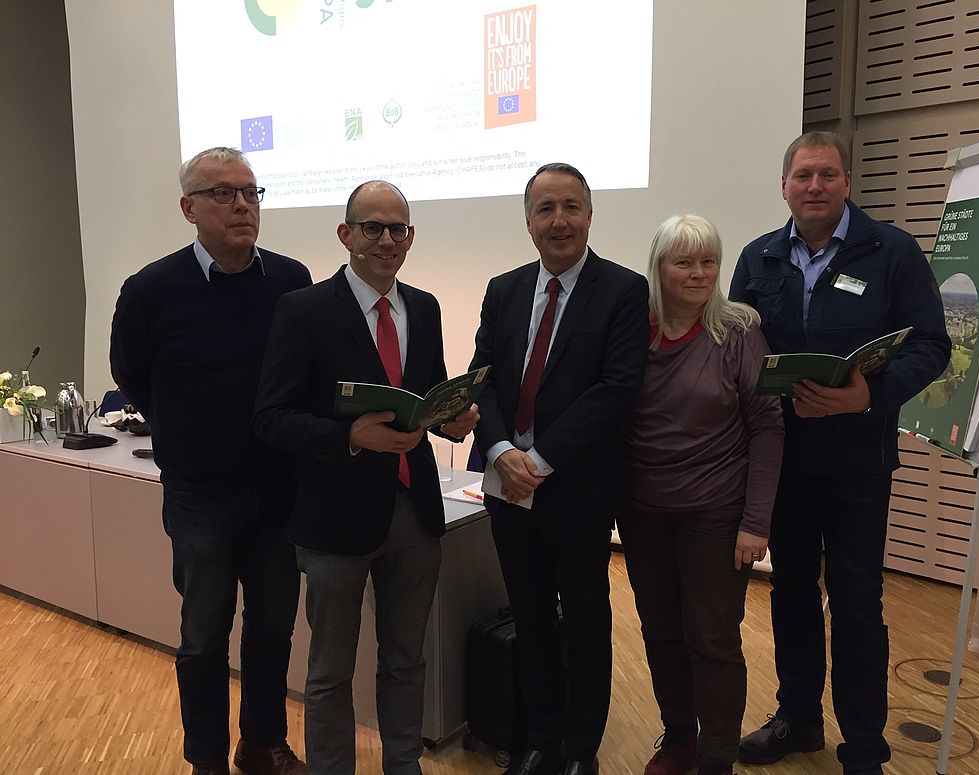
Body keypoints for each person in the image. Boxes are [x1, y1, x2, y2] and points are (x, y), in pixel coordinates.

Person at [729, 131, 950, 775]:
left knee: (856, 604)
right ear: (784, 186)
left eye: (827, 174)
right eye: (803, 175)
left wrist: (869, 395)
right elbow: (737, 348)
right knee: (791, 594)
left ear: (847, 182)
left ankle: (863, 749)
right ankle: (798, 719)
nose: (815, 186)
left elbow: (932, 345)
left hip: (858, 463)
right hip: (785, 462)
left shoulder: (892, 251)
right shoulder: (758, 258)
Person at [252, 180, 478, 775]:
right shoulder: (303, 310)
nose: (386, 240)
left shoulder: (423, 308)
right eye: (372, 227)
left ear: (410, 237)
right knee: (330, 672)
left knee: (406, 660)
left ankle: (403, 765)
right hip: (333, 518)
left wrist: (451, 421)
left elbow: (426, 396)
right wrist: (348, 435)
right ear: (345, 234)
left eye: (397, 229)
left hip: (415, 512)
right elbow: (271, 417)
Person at [109, 147, 312, 775]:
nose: (242, 205)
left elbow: (301, 373)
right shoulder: (150, 290)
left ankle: (262, 743)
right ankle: (206, 759)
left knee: (273, 629)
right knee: (202, 638)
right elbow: (131, 376)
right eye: (223, 193)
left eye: (250, 192)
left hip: (278, 488)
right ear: (188, 208)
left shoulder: (290, 279)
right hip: (201, 495)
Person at [469, 162, 650, 775]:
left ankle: (580, 749)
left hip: (577, 489)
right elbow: (483, 378)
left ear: (590, 215)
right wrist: (500, 451)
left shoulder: (623, 290)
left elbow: (616, 389)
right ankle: (540, 738)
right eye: (545, 209)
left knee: (586, 618)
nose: (559, 220)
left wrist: (539, 461)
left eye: (571, 206)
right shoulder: (504, 289)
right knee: (530, 616)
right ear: (528, 222)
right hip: (507, 485)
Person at [620, 215, 784, 775]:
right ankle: (678, 739)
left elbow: (768, 427)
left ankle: (716, 755)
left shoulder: (738, 333)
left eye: (708, 261)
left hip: (716, 514)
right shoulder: (633, 331)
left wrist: (756, 521)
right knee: (661, 631)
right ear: (658, 268)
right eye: (684, 262)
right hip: (643, 513)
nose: (698, 273)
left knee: (712, 639)